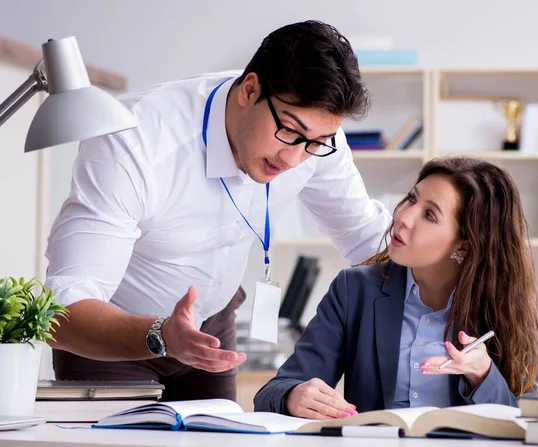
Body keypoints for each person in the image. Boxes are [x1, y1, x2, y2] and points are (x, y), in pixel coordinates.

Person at [45, 20, 391, 402]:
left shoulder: (316, 137)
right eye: (289, 132)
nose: (295, 158)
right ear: (249, 90)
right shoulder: (134, 141)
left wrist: (463, 293)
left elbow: (367, 237)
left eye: (316, 142)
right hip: (115, 339)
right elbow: (63, 308)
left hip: (212, 326)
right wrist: (161, 334)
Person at [254, 156, 538, 419]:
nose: (403, 218)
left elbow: (529, 420)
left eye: (430, 215)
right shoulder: (354, 290)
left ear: (465, 244)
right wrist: (293, 396)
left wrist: (482, 374)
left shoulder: (503, 305)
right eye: (411, 199)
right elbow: (273, 392)